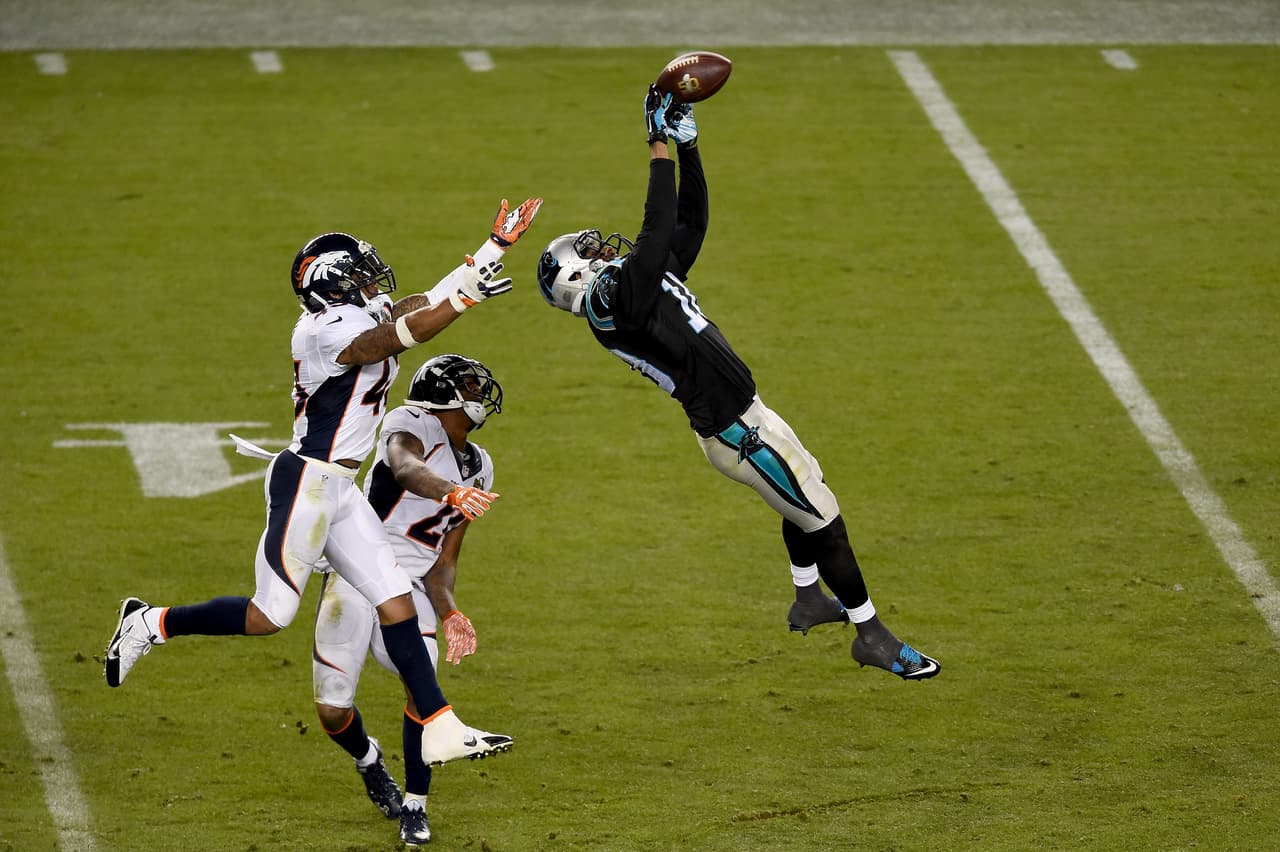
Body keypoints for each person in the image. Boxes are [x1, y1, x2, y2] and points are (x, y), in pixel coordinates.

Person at [103, 198, 543, 774]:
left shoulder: (354, 312)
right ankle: (149, 622)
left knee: (394, 601)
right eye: (357, 272)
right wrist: (462, 300)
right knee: (269, 615)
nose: (371, 279)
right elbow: (388, 342)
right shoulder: (320, 329)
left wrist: (493, 248)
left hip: (342, 489)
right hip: (308, 480)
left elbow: (418, 308)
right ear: (330, 284)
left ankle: (438, 725)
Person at [535, 88, 939, 680]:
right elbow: (655, 228)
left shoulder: (631, 287)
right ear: (578, 277)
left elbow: (688, 222)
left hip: (744, 415)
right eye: (591, 252)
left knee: (807, 491)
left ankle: (808, 596)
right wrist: (657, 145)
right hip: (737, 432)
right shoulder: (609, 302)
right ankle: (870, 634)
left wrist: (689, 145)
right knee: (823, 519)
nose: (604, 250)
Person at [313, 353, 505, 846]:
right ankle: (368, 759)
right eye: (468, 385)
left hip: (413, 587)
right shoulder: (409, 422)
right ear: (443, 395)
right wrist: (450, 491)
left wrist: (451, 611)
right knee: (333, 709)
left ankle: (415, 808)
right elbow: (403, 467)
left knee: (423, 686)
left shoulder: (481, 466)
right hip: (357, 572)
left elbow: (444, 561)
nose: (479, 393)